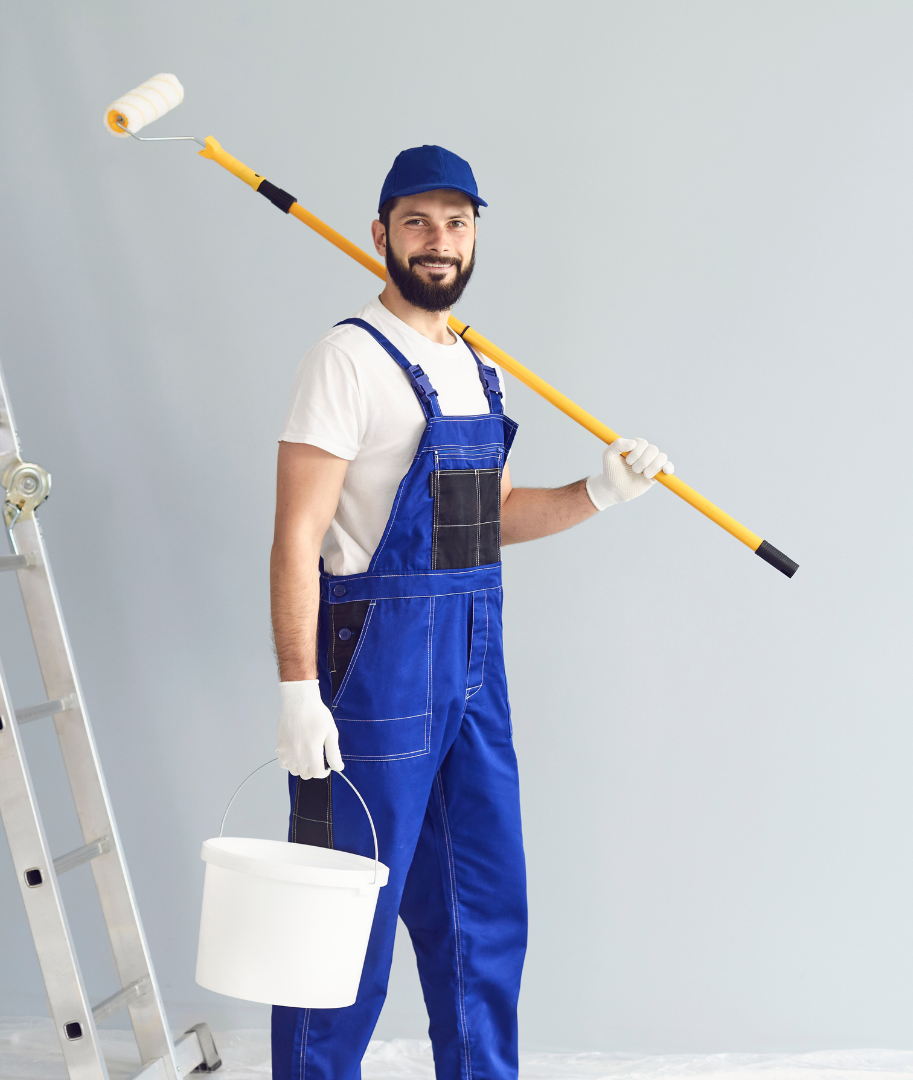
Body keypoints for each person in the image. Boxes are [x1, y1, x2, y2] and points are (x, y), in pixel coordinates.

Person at [269, 144, 671, 1080]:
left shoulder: (474, 364)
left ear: (476, 235)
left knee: (482, 911)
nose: (438, 241)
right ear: (381, 235)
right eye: (416, 222)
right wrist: (296, 691)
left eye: (455, 223)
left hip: (472, 672)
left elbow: (478, 524)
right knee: (345, 920)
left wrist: (597, 492)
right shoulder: (346, 360)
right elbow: (297, 537)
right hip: (376, 673)